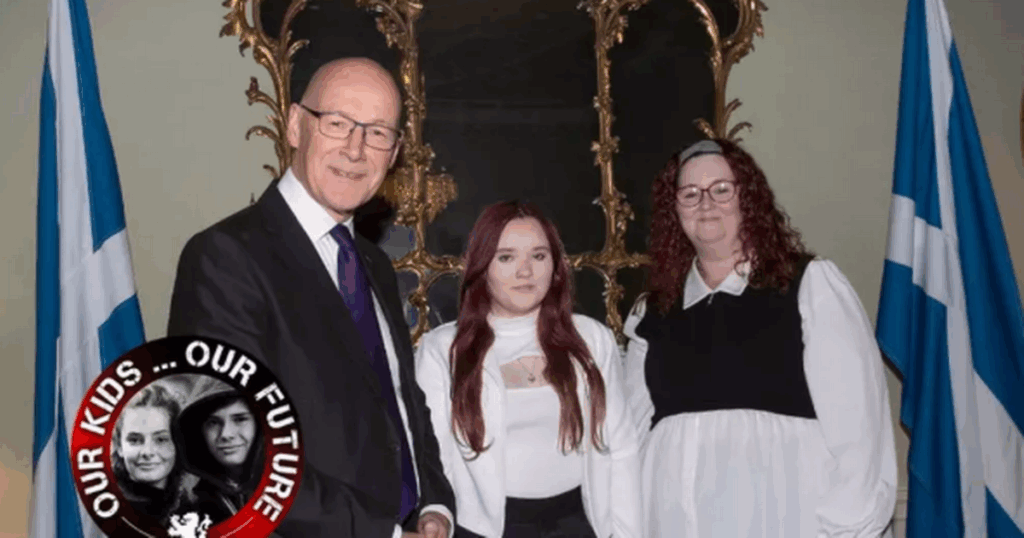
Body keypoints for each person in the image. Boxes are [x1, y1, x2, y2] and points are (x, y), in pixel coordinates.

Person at [167, 57, 456, 538]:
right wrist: (381, 533)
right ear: (296, 126)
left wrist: (435, 504)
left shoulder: (373, 264)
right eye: (337, 123)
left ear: (394, 153)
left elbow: (402, 401)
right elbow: (233, 450)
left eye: (378, 132)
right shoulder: (225, 258)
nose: (356, 149)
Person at [623, 139, 898, 537]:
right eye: (690, 193)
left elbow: (858, 425)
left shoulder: (809, 285)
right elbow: (631, 437)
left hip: (788, 515)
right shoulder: (652, 312)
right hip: (677, 520)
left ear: (748, 199)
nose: (706, 203)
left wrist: (850, 524)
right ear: (674, 210)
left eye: (721, 189)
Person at [416, 201, 642, 538]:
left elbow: (621, 447)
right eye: (506, 257)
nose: (525, 272)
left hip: (578, 524)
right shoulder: (443, 348)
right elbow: (435, 455)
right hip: (482, 529)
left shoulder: (591, 338)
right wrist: (437, 514)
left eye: (538, 256)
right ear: (482, 266)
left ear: (555, 266)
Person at [175, 376, 263, 525]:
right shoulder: (188, 513)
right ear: (198, 432)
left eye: (240, 419)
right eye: (213, 423)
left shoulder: (298, 488)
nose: (226, 434)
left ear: (261, 424)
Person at [111, 383, 198, 527]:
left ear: (177, 443)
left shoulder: (189, 504)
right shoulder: (111, 509)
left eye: (161, 439)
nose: (147, 452)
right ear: (119, 446)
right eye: (135, 440)